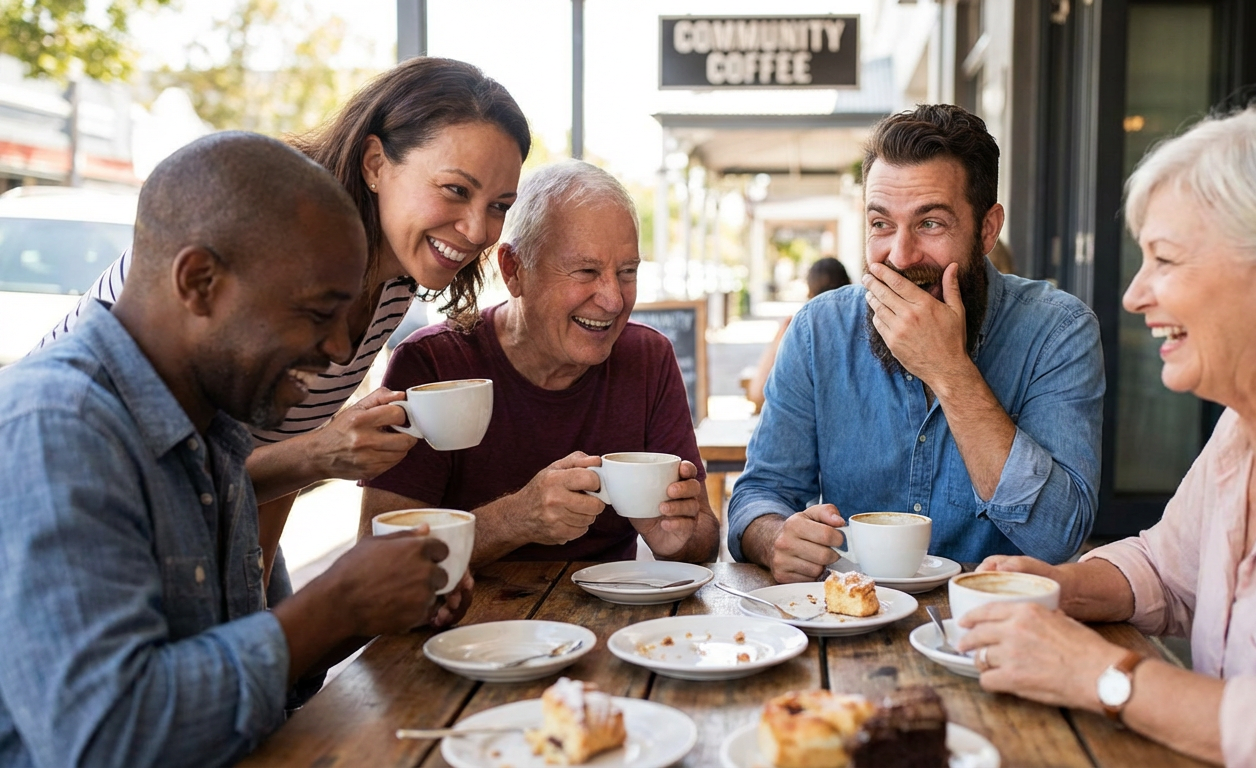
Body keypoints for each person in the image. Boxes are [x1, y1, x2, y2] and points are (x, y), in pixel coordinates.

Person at [954, 100, 1256, 766]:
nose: (1135, 295)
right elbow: (1170, 570)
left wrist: (1101, 675)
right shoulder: (1244, 431)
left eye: (1164, 259)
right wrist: (1057, 589)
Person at [0, 133, 464, 767]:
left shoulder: (216, 435)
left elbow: (250, 668)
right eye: (315, 312)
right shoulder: (60, 428)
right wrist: (335, 607)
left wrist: (371, 608)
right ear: (199, 281)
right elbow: (105, 738)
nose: (337, 349)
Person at [31, 57, 531, 584]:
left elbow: (279, 442)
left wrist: (259, 590)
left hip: (221, 516)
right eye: (455, 189)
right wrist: (318, 457)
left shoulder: (396, 281)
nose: (478, 229)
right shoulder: (263, 239)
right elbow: (156, 477)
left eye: (499, 205)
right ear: (375, 164)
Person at [729, 104, 1104, 582]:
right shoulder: (819, 329)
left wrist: (949, 371)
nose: (901, 256)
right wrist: (775, 537)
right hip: (850, 621)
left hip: (992, 626)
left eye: (930, 224)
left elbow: (1059, 536)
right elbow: (760, 493)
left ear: (987, 229)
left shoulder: (1059, 331)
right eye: (881, 224)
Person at [360, 160, 719, 565]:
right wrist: (516, 519)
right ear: (514, 271)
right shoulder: (433, 364)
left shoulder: (648, 357)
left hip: (609, 622)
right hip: (469, 623)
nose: (614, 300)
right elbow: (379, 560)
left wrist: (680, 538)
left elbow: (702, 539)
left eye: (627, 272)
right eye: (586, 271)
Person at [746, 257, 851, 412]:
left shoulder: (795, 326)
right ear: (849, 284)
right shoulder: (868, 327)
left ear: (809, 290)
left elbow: (757, 392)